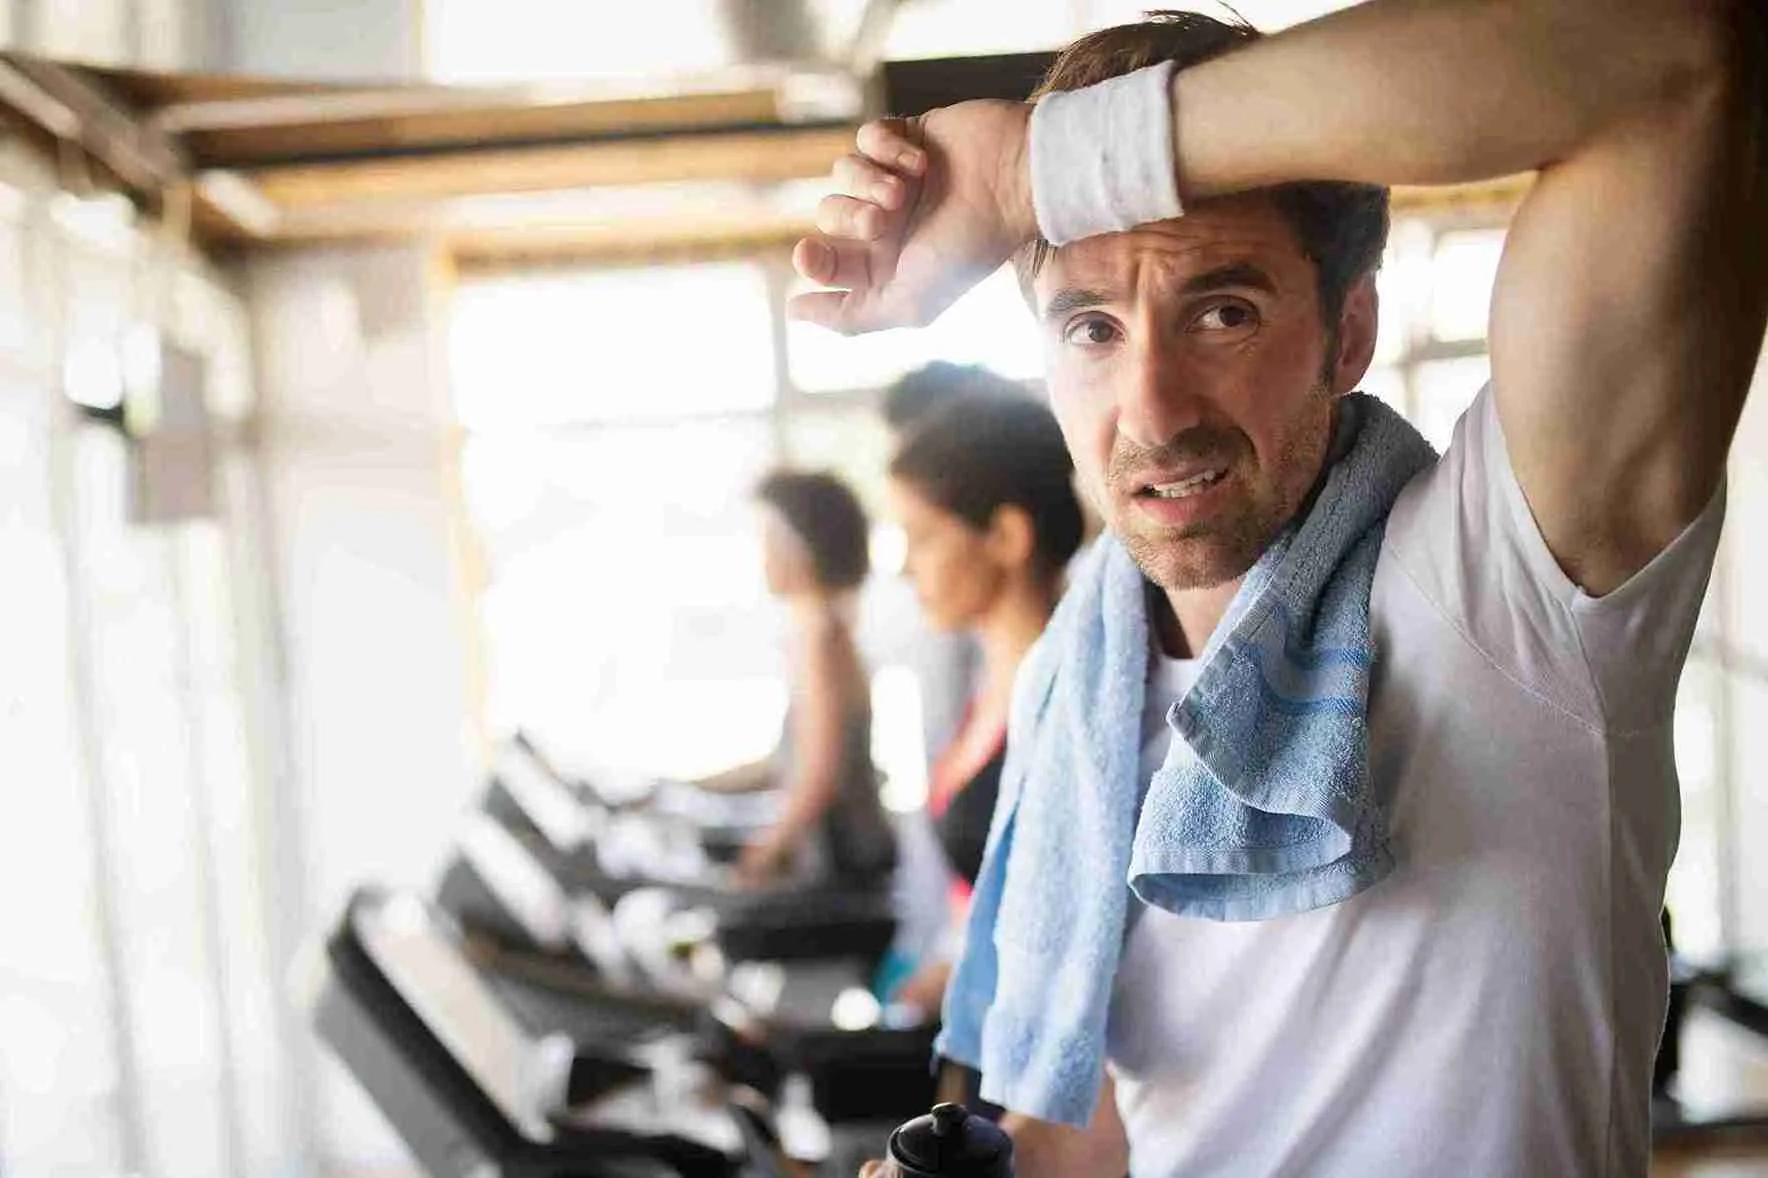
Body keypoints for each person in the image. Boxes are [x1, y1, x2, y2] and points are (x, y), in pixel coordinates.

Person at [791, 5, 1767, 1176]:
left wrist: (1026, 170)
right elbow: (1094, 1127)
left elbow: (1674, 62)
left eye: (1223, 312)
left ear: (1347, 333)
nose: (1154, 410)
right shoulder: (1080, 673)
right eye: (1092, 327)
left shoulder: (1503, 587)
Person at [882, 392, 1085, 1021]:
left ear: (1005, 536)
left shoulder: (1069, 704)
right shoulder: (990, 685)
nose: (905, 569)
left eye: (922, 539)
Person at [696, 471, 897, 890]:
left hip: (843, 858)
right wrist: (698, 786)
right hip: (851, 848)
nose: (761, 558)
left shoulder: (817, 637)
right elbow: (794, 760)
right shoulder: (826, 626)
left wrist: (763, 854)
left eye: (767, 540)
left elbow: (819, 774)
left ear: (799, 547)